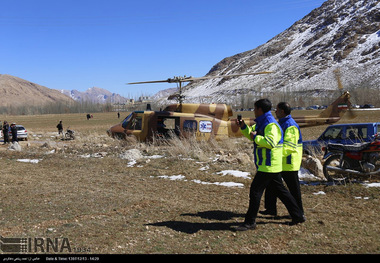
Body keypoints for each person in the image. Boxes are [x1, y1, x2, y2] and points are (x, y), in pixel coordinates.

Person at [235, 98, 305, 231]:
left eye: (255, 109)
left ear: (260, 109)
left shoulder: (270, 124)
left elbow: (270, 142)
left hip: (269, 165)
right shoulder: (263, 122)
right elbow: (251, 134)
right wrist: (243, 127)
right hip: (268, 165)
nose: (254, 111)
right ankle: (298, 215)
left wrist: (256, 137)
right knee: (282, 191)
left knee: (255, 191)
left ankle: (250, 222)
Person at [261, 102, 304, 216]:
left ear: (282, 111)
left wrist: (277, 154)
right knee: (272, 185)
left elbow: (289, 147)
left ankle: (299, 212)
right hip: (282, 162)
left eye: (277, 109)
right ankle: (271, 209)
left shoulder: (290, 125)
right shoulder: (282, 123)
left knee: (293, 190)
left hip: (289, 163)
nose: (275, 111)